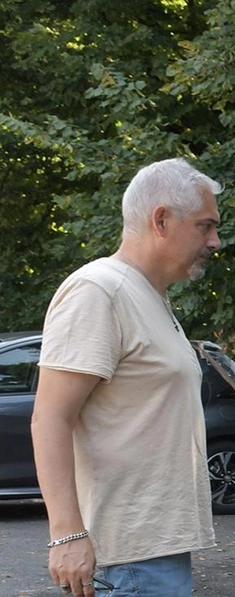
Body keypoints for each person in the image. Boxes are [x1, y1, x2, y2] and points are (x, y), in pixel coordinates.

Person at [31, 158, 223, 597]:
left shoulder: (148, 297)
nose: (215, 241)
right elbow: (50, 419)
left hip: (153, 551)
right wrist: (66, 535)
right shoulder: (100, 291)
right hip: (127, 559)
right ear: (161, 220)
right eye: (205, 226)